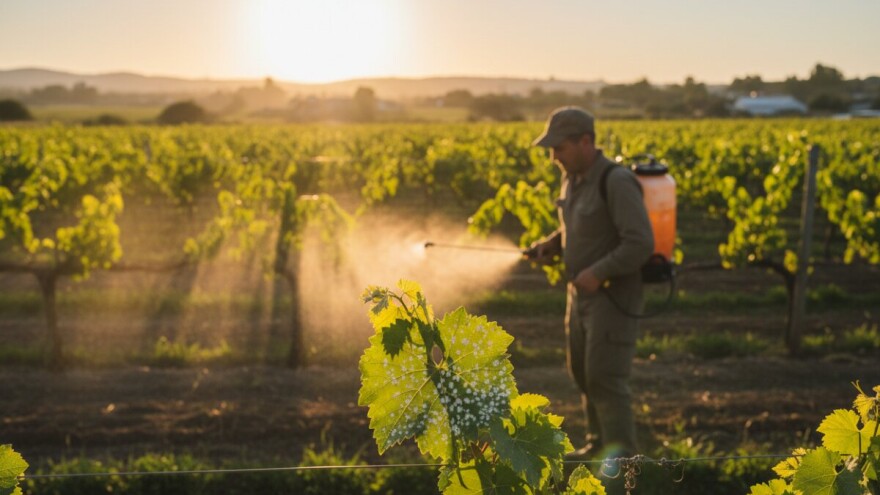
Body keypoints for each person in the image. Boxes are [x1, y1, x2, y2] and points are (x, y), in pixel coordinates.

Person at [527, 106, 653, 458]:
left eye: (559, 148)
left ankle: (623, 462)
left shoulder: (616, 181)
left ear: (586, 142)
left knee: (605, 378)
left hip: (613, 298)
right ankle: (599, 445)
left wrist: (598, 272)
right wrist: (552, 244)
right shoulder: (572, 179)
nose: (553, 158)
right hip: (579, 296)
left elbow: (640, 242)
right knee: (582, 373)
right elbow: (578, 226)